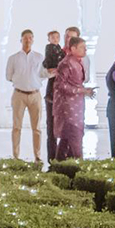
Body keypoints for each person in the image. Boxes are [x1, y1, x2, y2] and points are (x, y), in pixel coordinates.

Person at [5, 29, 44, 162]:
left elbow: (43, 75)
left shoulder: (40, 57)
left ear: (33, 40)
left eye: (30, 38)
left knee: (37, 128)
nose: (28, 40)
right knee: (16, 127)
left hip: (35, 95)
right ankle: (16, 156)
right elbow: (9, 76)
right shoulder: (13, 58)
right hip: (19, 94)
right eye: (25, 38)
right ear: (21, 40)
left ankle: (38, 156)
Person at [52, 36, 94, 160]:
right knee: (75, 138)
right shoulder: (66, 63)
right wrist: (81, 90)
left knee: (66, 140)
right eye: (82, 47)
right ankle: (79, 168)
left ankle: (58, 168)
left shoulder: (78, 62)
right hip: (68, 108)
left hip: (76, 106)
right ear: (73, 48)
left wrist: (83, 91)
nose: (85, 50)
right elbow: (60, 85)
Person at [42, 30, 64, 160]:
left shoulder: (61, 50)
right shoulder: (49, 49)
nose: (55, 39)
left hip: (62, 91)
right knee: (51, 124)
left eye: (57, 37)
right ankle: (52, 157)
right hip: (53, 90)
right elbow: (48, 65)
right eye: (52, 37)